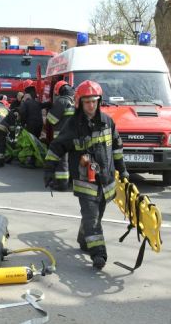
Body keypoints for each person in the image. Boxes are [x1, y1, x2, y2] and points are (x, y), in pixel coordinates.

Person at [43, 80, 129, 270]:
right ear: (79, 103)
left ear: (99, 101)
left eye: (94, 101)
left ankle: (84, 239)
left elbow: (117, 148)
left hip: (106, 182)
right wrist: (49, 170)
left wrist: (122, 169)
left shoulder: (108, 122)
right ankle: (99, 253)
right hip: (85, 181)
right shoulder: (73, 125)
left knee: (96, 217)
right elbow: (56, 147)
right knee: (91, 217)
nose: (91, 105)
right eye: (87, 101)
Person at [46, 81, 75, 190]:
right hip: (75, 136)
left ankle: (62, 184)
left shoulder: (62, 101)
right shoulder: (75, 101)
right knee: (72, 160)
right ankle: (71, 182)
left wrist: (50, 111)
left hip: (62, 137)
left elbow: (51, 119)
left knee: (62, 160)